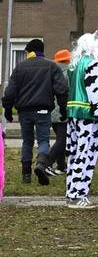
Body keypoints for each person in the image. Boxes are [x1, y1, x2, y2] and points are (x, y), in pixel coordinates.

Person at [3, 39, 68, 186]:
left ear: (30, 51)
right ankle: (41, 165)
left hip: (24, 111)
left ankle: (26, 175)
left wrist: (8, 109)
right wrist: (63, 108)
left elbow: (10, 91)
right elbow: (61, 89)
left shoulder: (20, 67)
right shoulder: (51, 66)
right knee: (43, 140)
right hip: (43, 110)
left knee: (27, 141)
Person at [64, 30, 98, 208]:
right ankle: (79, 194)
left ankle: (71, 192)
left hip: (74, 114)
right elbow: (95, 91)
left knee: (75, 153)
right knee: (86, 154)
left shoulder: (75, 65)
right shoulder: (92, 64)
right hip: (88, 116)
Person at [46, 49, 73, 176]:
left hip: (51, 110)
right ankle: (46, 164)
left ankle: (61, 166)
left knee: (60, 139)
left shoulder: (50, 73)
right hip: (63, 110)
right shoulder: (69, 73)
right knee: (63, 140)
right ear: (67, 60)